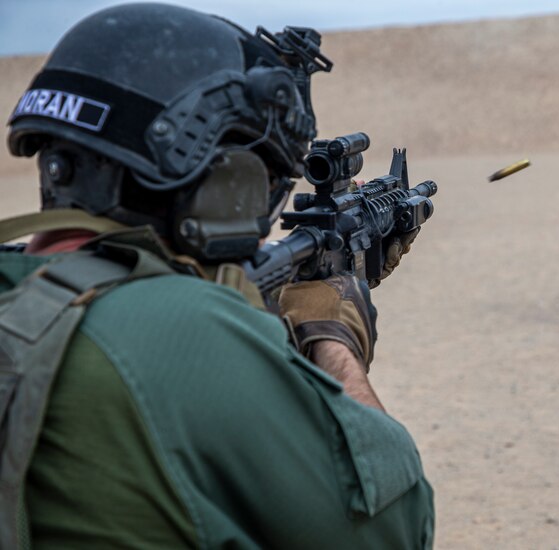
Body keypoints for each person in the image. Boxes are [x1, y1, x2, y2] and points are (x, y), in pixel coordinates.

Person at [0, 3, 434, 548]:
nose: (260, 223)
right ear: (214, 180)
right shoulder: (185, 332)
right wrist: (334, 338)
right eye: (260, 184)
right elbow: (394, 527)